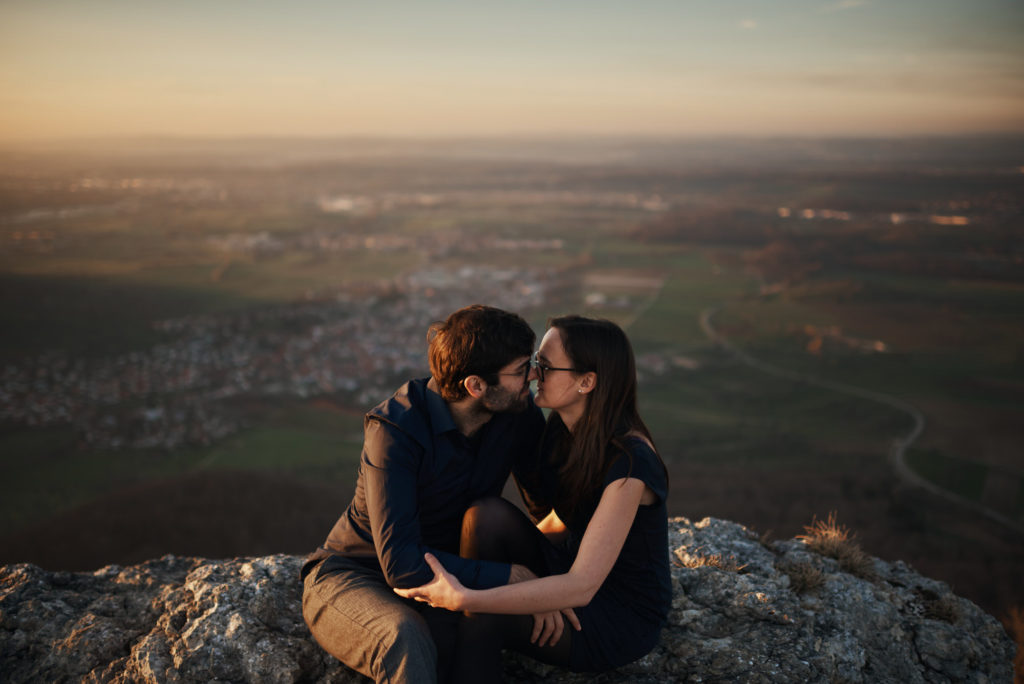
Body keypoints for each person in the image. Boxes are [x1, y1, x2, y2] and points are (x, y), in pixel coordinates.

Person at [396, 315, 671, 681]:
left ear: (587, 382)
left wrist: (467, 598)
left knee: (478, 619)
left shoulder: (631, 464)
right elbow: (563, 516)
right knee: (485, 515)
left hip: (614, 613)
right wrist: (534, 587)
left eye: (546, 366)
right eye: (534, 363)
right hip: (571, 574)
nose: (533, 374)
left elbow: (582, 585)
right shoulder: (563, 429)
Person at [300, 305, 548, 684]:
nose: (532, 376)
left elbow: (543, 507)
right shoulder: (395, 430)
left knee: (469, 648)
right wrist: (509, 576)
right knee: (406, 636)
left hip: (443, 577)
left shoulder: (517, 414)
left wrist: (551, 587)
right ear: (476, 387)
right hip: (355, 576)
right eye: (520, 371)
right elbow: (402, 566)